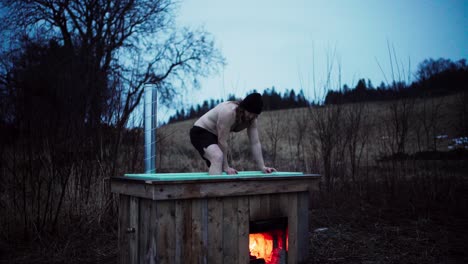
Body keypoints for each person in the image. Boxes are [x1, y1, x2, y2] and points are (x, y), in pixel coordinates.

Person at [190, 93, 277, 175]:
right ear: (243, 108)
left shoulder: (252, 120)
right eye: (249, 113)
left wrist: (262, 166)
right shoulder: (229, 112)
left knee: (218, 161)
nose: (250, 116)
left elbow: (255, 143)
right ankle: (215, 190)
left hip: (215, 136)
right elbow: (222, 140)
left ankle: (218, 188)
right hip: (201, 131)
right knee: (217, 157)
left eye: (254, 114)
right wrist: (226, 166)